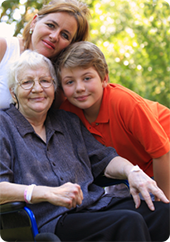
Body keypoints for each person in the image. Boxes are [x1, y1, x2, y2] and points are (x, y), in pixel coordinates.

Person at [1, 50, 170, 242]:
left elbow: (105, 159)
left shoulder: (67, 120)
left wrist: (132, 171)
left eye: (45, 81)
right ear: (13, 92)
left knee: (163, 213)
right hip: (52, 219)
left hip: (96, 205)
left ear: (54, 88)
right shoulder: (3, 127)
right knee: (128, 221)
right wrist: (45, 192)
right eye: (27, 82)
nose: (38, 88)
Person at [56, 41, 170, 200]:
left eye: (87, 78)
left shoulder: (123, 102)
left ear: (104, 78)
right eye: (70, 82)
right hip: (133, 169)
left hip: (164, 158)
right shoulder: (67, 112)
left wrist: (164, 201)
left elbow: (162, 154)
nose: (79, 87)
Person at [0, 0, 90, 109]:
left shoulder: (60, 83)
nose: (54, 36)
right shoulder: (4, 48)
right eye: (51, 25)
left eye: (65, 35)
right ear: (34, 22)